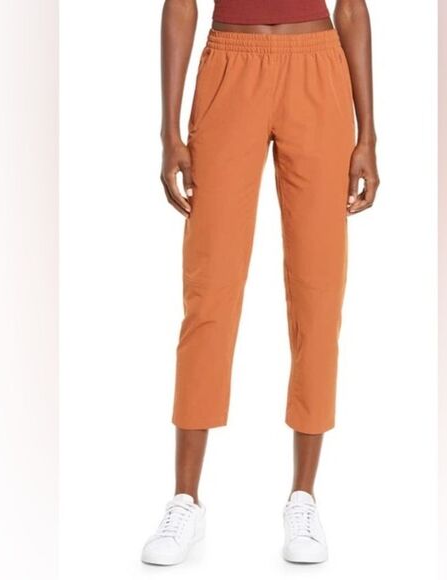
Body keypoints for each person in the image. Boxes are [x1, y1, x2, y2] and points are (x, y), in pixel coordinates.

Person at [142, 0, 380, 566]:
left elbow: (351, 8)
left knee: (319, 289)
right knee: (209, 290)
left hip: (317, 66)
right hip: (230, 67)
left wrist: (368, 135)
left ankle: (304, 497)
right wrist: (169, 131)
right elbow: (180, 4)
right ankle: (185, 499)